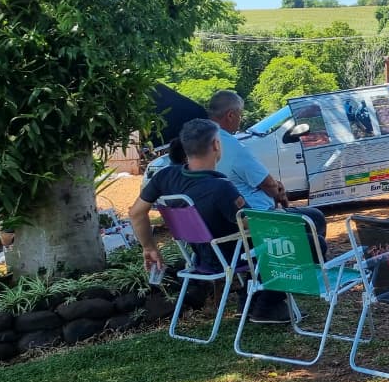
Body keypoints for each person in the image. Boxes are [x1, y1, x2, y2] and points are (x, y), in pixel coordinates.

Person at [128, 119, 285, 323]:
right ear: (216, 145)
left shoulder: (164, 176)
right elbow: (250, 224)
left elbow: (136, 213)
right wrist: (279, 217)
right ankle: (266, 306)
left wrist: (149, 247)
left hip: (200, 256)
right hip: (230, 256)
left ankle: (248, 302)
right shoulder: (220, 187)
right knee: (298, 237)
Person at [206, 90, 328, 255]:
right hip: (255, 220)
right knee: (316, 218)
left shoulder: (201, 141)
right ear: (230, 115)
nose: (240, 120)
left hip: (220, 226)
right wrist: (278, 191)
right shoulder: (231, 145)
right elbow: (269, 185)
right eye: (240, 115)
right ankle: (301, 263)